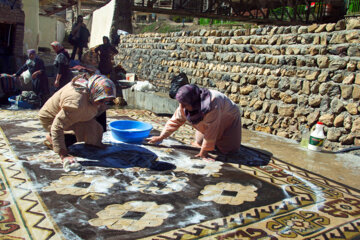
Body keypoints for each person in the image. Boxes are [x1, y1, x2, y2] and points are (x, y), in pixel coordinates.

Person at [38, 74, 116, 171]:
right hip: (50, 118)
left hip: (76, 111)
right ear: (94, 92)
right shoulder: (76, 104)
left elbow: (97, 110)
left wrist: (95, 139)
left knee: (94, 127)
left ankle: (93, 142)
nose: (104, 104)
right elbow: (57, 126)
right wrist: (64, 155)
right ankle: (51, 139)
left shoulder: (92, 93)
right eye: (102, 101)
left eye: (107, 101)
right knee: (75, 134)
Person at [147, 84, 242, 161]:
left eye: (184, 104)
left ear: (194, 102)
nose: (182, 106)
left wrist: (204, 152)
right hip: (212, 119)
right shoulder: (185, 103)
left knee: (228, 150)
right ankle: (212, 142)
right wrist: (161, 136)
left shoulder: (212, 104)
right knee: (199, 142)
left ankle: (224, 141)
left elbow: (211, 129)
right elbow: (175, 121)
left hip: (228, 117)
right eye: (181, 103)